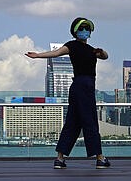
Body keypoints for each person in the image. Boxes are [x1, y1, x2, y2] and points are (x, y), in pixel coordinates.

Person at [25, 17, 111, 169]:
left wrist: (101, 51)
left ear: (90, 32)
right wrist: (38, 55)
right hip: (82, 86)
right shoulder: (71, 45)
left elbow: (105, 56)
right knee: (90, 121)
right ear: (75, 31)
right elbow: (56, 53)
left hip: (83, 87)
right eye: (81, 29)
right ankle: (100, 158)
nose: (84, 31)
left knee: (73, 122)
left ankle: (60, 158)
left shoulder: (92, 50)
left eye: (87, 29)